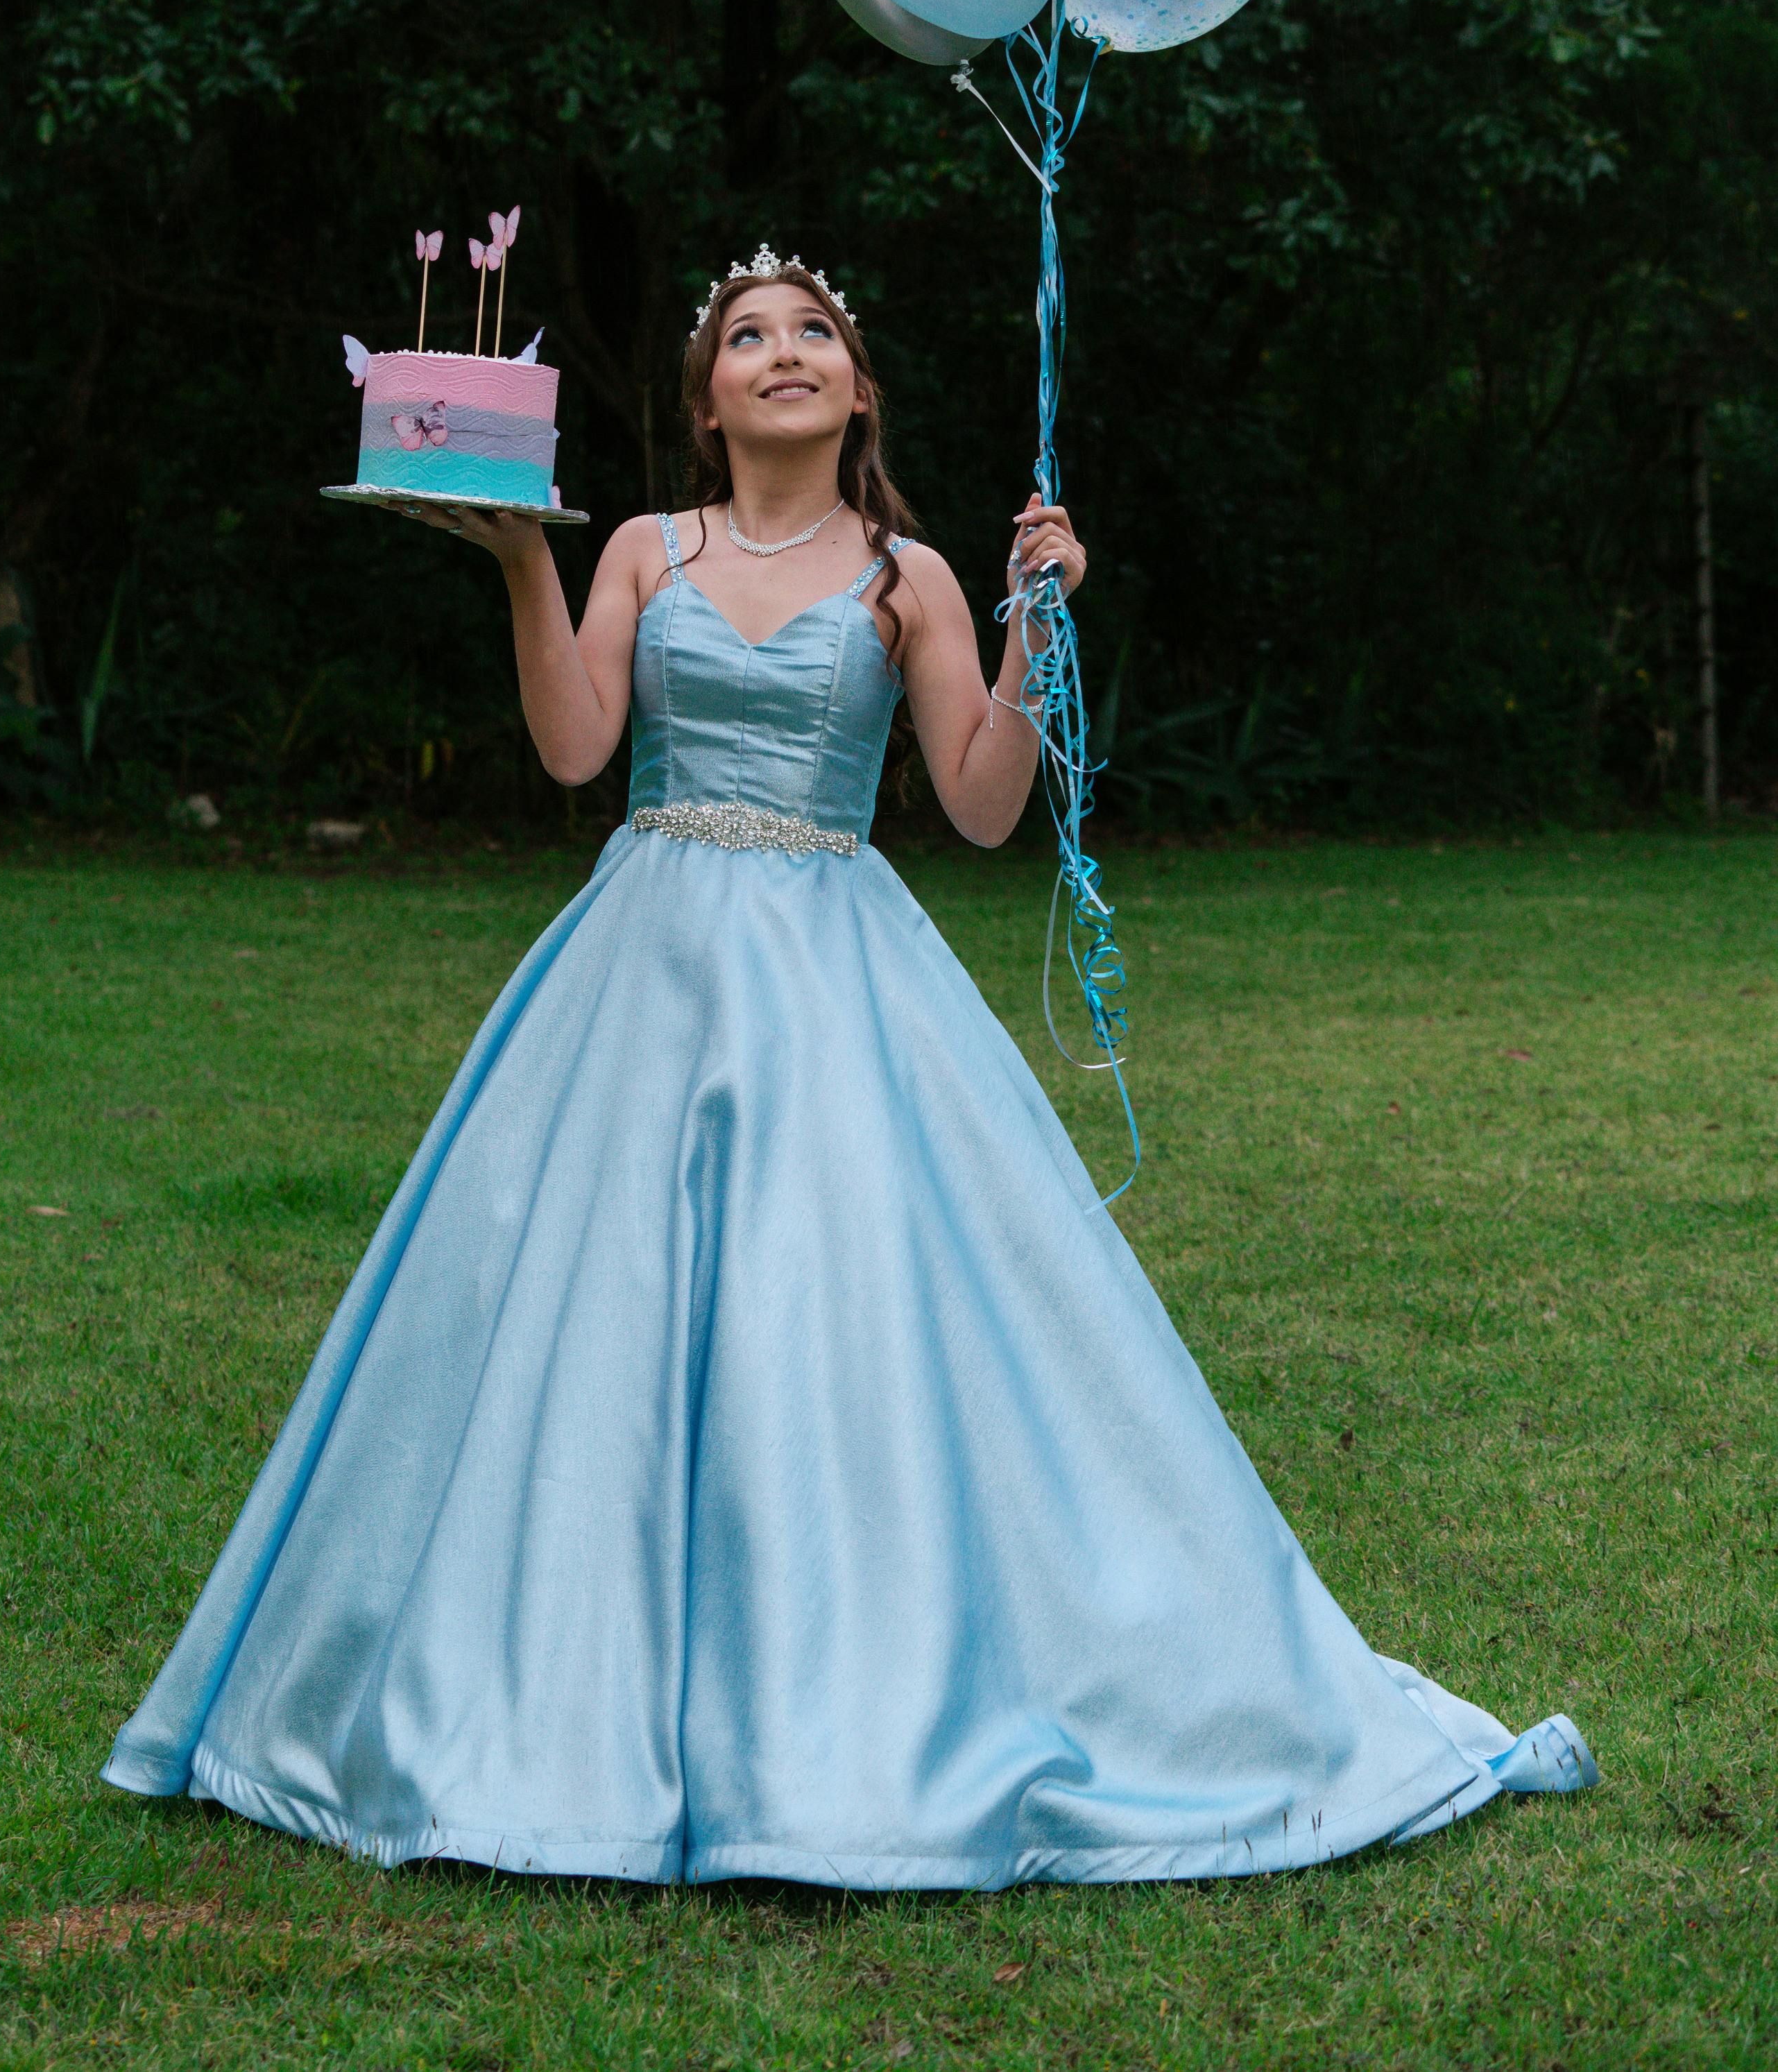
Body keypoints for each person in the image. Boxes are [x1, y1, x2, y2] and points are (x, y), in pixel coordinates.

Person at [103, 252, 1593, 1883]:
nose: (785, 352)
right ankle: (537, 1697)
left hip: (836, 972)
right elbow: (577, 751)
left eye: (814, 331)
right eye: (748, 337)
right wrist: (526, 560)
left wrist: (1031, 635)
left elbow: (974, 801)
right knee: (588, 1322)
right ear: (706, 399)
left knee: (838, 1316)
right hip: (642, 972)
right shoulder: (640, 551)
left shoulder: (912, 574)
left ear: (859, 387)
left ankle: (842, 1700)